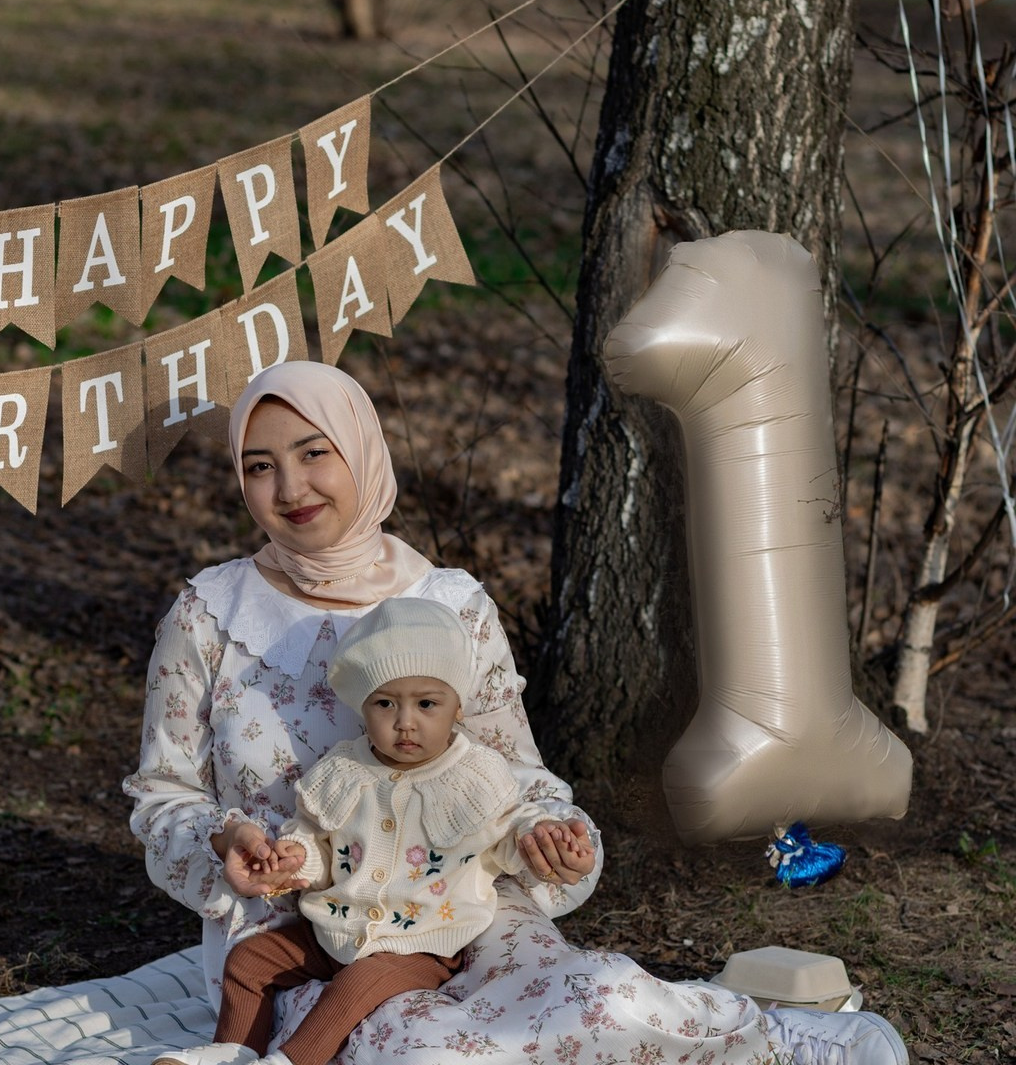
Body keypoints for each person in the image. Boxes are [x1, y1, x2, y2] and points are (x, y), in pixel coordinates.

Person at [123, 359, 911, 1065]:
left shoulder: (451, 605)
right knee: (426, 1054)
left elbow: (517, 775)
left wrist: (548, 839)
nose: (291, 489)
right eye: (260, 467)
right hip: (307, 930)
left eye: (313, 453)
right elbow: (164, 794)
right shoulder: (209, 614)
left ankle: (773, 1040)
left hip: (465, 902)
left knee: (606, 1003)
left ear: (360, 450)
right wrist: (225, 841)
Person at [155, 596, 580, 1065]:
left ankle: (291, 1061)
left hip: (422, 945)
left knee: (354, 986)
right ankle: (233, 1050)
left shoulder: (476, 774)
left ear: (457, 707)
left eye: (426, 703)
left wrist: (542, 838)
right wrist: (295, 861)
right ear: (362, 705)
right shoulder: (340, 770)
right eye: (385, 703)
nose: (405, 722)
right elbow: (316, 843)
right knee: (249, 960)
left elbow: (509, 837)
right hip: (332, 932)